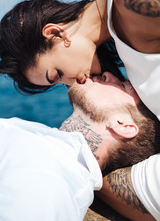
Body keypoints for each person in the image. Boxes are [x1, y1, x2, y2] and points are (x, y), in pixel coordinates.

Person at [1, 71, 160, 221]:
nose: (108, 74)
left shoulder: (52, 186)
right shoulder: (50, 151)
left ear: (123, 125)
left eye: (124, 86)